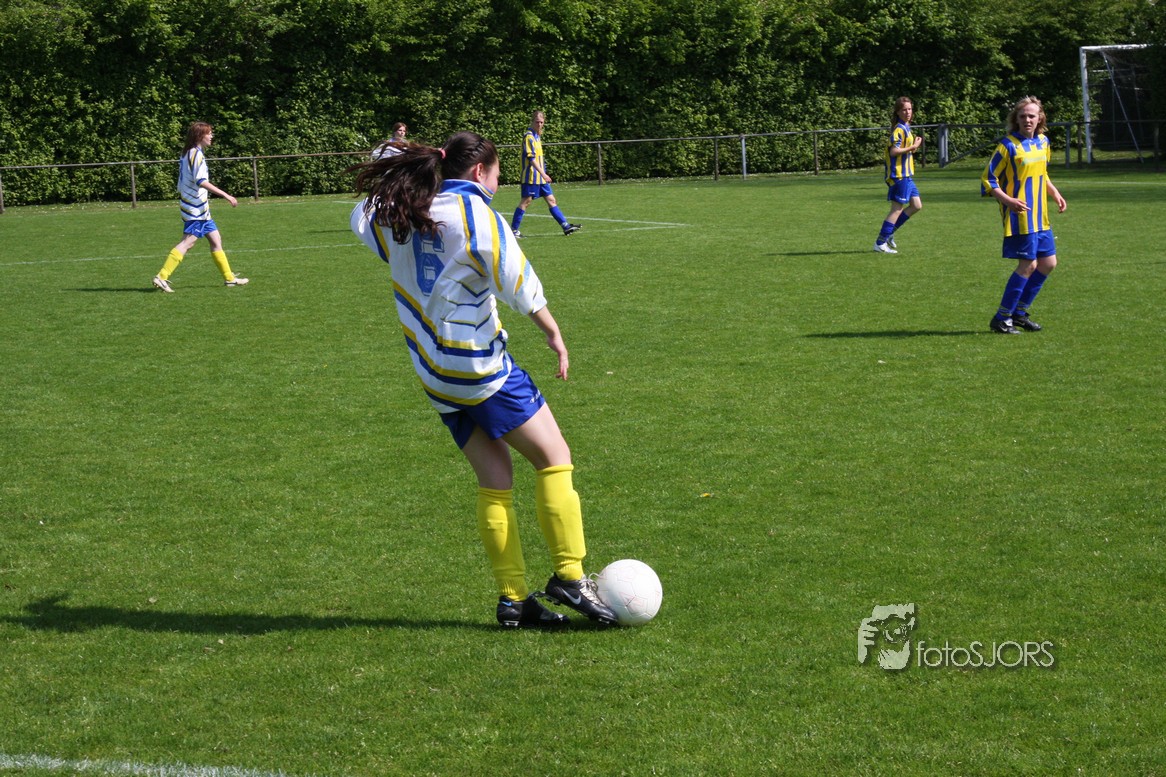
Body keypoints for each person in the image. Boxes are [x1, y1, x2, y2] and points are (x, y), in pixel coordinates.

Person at [348, 131, 617, 628]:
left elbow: (360, 216)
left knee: (496, 479)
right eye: (497, 174)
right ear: (479, 172)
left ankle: (513, 600)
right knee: (555, 458)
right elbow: (520, 285)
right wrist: (554, 334)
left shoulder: (401, 213)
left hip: (434, 375)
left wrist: (392, 159)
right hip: (479, 369)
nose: (497, 184)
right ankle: (570, 576)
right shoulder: (478, 217)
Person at [981, 96, 1067, 334]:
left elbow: (1042, 173)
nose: (1027, 120)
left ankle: (1019, 312)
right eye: (1023, 116)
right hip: (1020, 217)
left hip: (1041, 215)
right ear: (1016, 119)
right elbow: (988, 179)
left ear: (1040, 118)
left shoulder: (1043, 142)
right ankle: (1002, 318)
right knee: (1028, 265)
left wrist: (1055, 193)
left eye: (1032, 115)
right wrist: (1008, 201)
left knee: (1048, 263)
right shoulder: (1007, 146)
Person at [152, 122, 248, 292]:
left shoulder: (189, 153)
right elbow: (201, 181)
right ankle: (162, 276)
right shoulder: (195, 154)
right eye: (209, 133)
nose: (211, 136)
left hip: (200, 208)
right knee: (188, 242)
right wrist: (226, 195)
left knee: (216, 239)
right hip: (194, 207)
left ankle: (229, 279)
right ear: (199, 136)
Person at [510, 110, 581, 238]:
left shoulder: (537, 136)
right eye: (537, 122)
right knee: (526, 202)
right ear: (532, 121)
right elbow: (531, 159)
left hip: (541, 178)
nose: (539, 124)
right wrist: (543, 174)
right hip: (531, 177)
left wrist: (543, 174)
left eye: (541, 122)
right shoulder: (529, 137)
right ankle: (514, 231)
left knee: (551, 200)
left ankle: (565, 226)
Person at [873, 97, 923, 254]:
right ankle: (880, 242)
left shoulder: (906, 127)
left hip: (907, 175)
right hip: (899, 175)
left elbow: (904, 150)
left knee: (916, 205)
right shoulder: (899, 129)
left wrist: (913, 146)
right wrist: (913, 147)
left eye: (909, 109)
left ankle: (889, 233)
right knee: (896, 209)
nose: (908, 112)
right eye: (904, 110)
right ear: (898, 112)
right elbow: (894, 151)